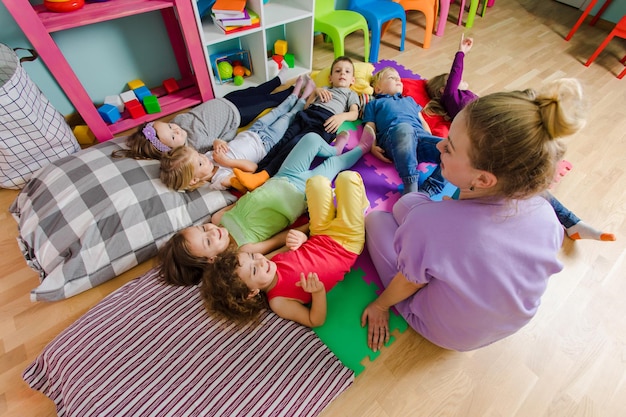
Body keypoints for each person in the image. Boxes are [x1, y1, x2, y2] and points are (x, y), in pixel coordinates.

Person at [361, 78, 591, 353]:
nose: (439, 146)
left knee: (378, 218)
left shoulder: (430, 225)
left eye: (450, 147)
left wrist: (380, 305)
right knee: (412, 211)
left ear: (483, 179)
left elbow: (410, 281)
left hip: (445, 331)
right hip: (501, 326)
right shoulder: (546, 214)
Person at [422, 34, 614, 241]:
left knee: (507, 179)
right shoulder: (451, 96)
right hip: (486, 138)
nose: (461, 81)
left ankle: (572, 221)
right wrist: (461, 53)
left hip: (493, 140)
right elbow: (455, 76)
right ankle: (572, 221)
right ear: (444, 89)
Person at [157, 129, 375, 286]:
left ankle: (332, 148)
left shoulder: (216, 219)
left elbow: (247, 198)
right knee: (334, 166)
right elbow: (281, 240)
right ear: (211, 259)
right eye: (207, 241)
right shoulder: (244, 251)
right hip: (300, 195)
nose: (211, 231)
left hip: (282, 177)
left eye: (202, 229)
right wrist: (309, 227)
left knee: (310, 138)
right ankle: (362, 148)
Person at [200, 170, 369, 327]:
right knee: (348, 178)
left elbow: (293, 245)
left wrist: (300, 238)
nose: (259, 260)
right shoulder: (279, 302)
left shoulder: (268, 260)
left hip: (319, 234)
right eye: (253, 270)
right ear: (251, 292)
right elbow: (314, 320)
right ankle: (359, 207)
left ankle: (344, 209)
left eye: (252, 257)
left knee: (315, 183)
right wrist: (318, 292)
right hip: (346, 244)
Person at [159, 76, 316, 192]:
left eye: (199, 156)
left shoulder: (206, 158)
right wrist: (226, 162)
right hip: (266, 143)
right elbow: (252, 168)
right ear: (194, 180)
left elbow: (217, 143)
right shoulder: (220, 181)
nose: (203, 159)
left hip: (252, 131)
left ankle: (294, 93)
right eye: (200, 163)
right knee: (288, 118)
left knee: (278, 111)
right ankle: (303, 99)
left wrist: (217, 143)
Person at [112, 65, 296, 160]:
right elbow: (223, 139)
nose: (175, 128)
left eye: (169, 126)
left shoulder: (178, 121)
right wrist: (220, 140)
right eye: (173, 136)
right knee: (266, 101)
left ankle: (279, 78)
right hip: (238, 114)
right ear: (171, 149)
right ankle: (294, 92)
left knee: (256, 90)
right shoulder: (196, 145)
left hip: (225, 100)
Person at [234, 56, 361, 191]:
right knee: (282, 142)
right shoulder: (324, 88)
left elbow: (354, 113)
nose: (342, 73)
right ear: (330, 78)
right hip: (306, 116)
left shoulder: (350, 94)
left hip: (324, 122)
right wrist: (315, 92)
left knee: (294, 144)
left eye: (347, 72)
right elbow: (306, 106)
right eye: (338, 71)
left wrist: (341, 117)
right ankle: (256, 173)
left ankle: (264, 176)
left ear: (352, 80)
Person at [363, 66, 446, 195]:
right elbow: (370, 126)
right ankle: (410, 186)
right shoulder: (374, 104)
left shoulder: (410, 100)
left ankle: (428, 190)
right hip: (394, 139)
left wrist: (429, 139)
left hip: (420, 138)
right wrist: (372, 146)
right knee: (404, 128)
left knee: (452, 148)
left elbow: (422, 121)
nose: (398, 80)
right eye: (392, 77)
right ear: (378, 89)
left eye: (399, 78)